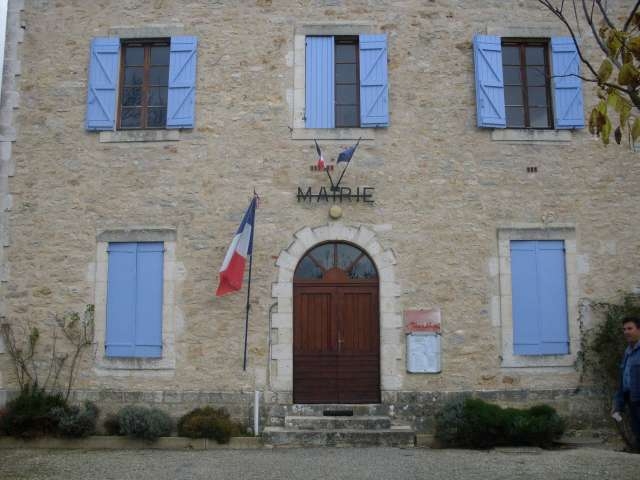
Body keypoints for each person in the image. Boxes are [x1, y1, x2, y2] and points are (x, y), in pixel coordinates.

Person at [613, 316, 640, 451]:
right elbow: (623, 379)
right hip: (632, 399)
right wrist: (618, 404)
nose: (626, 332)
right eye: (624, 329)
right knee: (637, 432)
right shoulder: (628, 352)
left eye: (630, 328)